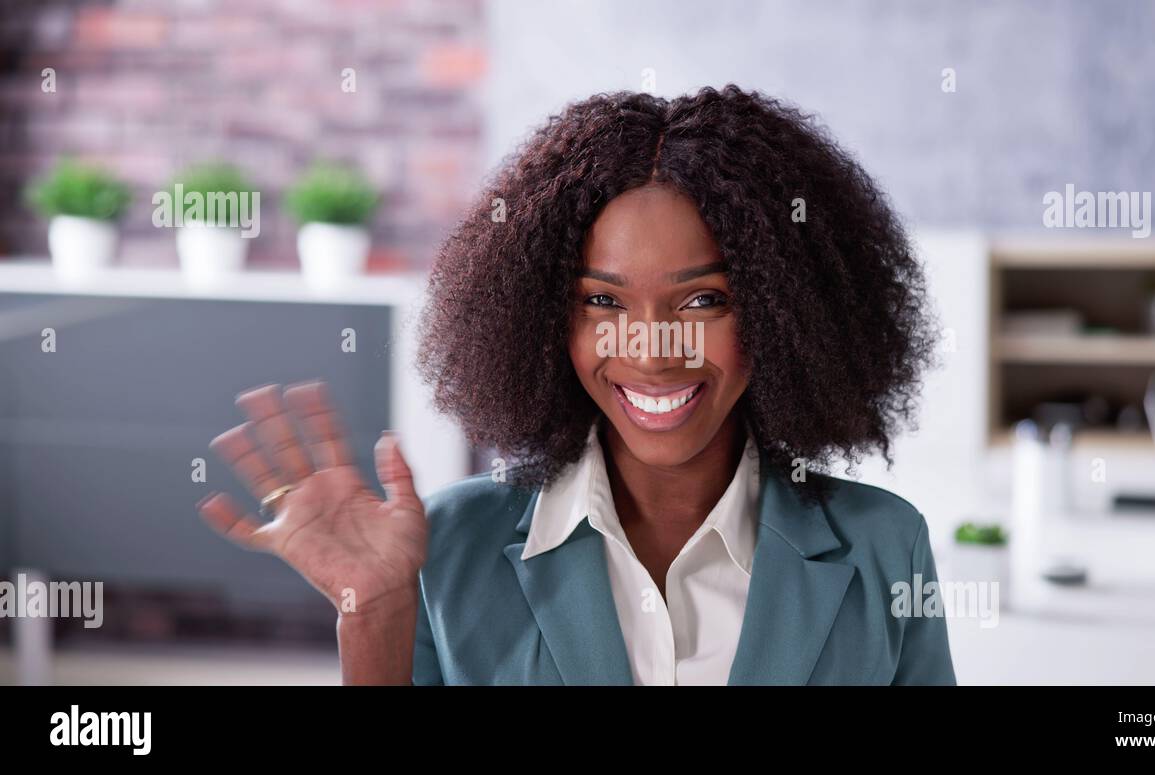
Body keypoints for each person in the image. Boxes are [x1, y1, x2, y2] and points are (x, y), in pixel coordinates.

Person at [197, 85, 957, 685]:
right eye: (603, 301)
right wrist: (376, 616)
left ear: (783, 311)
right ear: (544, 320)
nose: (652, 350)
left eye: (703, 300)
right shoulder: (447, 548)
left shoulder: (885, 547)